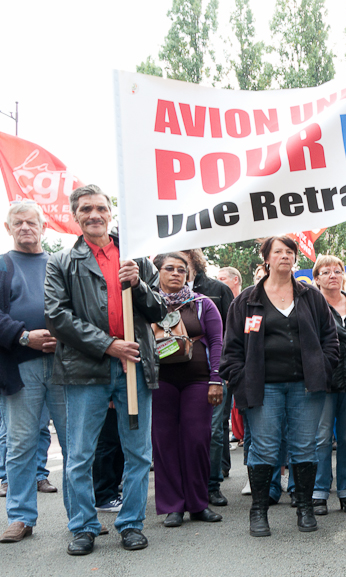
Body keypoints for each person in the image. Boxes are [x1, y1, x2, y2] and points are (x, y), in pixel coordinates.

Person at [44, 185, 167, 555]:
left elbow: (160, 310)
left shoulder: (137, 258)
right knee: (80, 454)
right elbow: (56, 316)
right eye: (86, 209)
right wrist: (107, 344)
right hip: (86, 370)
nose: (94, 214)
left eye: (100, 207)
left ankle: (130, 523)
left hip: (134, 368)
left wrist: (139, 284)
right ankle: (83, 526)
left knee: (138, 453)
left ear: (111, 213)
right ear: (76, 215)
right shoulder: (61, 262)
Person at [220, 236, 340, 537]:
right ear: (267, 258)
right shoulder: (246, 300)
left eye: (290, 252)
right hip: (263, 389)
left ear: (295, 258)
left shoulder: (311, 297)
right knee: (263, 448)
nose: (284, 256)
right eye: (278, 252)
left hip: (306, 387)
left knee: (304, 447)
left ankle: (304, 509)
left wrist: (323, 368)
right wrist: (240, 377)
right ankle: (258, 512)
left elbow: (330, 337)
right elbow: (231, 347)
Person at [0, 202, 67, 544]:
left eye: (32, 222)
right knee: (20, 445)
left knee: (76, 445)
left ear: (43, 227)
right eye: (18, 222)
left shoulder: (61, 264)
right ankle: (21, 517)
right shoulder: (2, 265)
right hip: (20, 367)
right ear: (8, 228)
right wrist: (25, 336)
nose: (26, 227)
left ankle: (82, 517)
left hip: (65, 366)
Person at [149, 252, 224, 528]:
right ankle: (172, 507)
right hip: (159, 381)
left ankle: (198, 503)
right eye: (169, 268)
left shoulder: (202, 304)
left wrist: (216, 378)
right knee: (164, 442)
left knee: (196, 440)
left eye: (182, 270)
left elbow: (217, 342)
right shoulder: (145, 304)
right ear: (157, 272)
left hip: (198, 380)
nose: (176, 274)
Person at [183, 250, 234, 509]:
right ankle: (183, 489)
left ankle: (212, 485)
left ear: (193, 257)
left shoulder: (217, 289)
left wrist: (223, 372)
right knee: (180, 433)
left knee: (213, 431)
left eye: (183, 254)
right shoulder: (156, 294)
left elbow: (228, 332)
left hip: (211, 373)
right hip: (172, 377)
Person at [310, 255, 346, 516]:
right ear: (316, 278)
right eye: (326, 271)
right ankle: (319, 493)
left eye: (337, 270)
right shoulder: (311, 305)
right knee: (321, 438)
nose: (333, 275)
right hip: (323, 381)